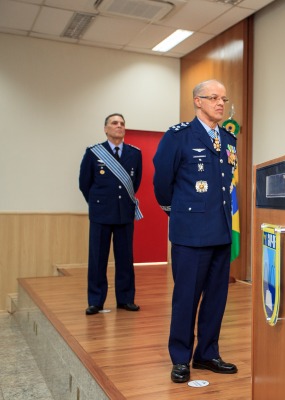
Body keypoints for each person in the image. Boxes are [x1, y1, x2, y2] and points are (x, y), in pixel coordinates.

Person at [153, 79, 238, 383]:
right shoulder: (179, 137)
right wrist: (175, 213)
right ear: (197, 102)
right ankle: (180, 357)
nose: (220, 103)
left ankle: (207, 353)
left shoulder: (228, 140)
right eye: (213, 97)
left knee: (216, 297)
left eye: (223, 98)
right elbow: (162, 182)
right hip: (190, 232)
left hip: (221, 230)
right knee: (186, 297)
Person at [79, 113, 143, 315]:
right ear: (106, 129)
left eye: (122, 124)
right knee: (98, 259)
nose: (119, 126)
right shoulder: (93, 153)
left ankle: (125, 299)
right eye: (114, 123)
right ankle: (96, 301)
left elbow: (136, 182)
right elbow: (84, 183)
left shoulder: (135, 153)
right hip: (100, 214)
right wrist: (99, 204)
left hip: (124, 213)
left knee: (125, 258)